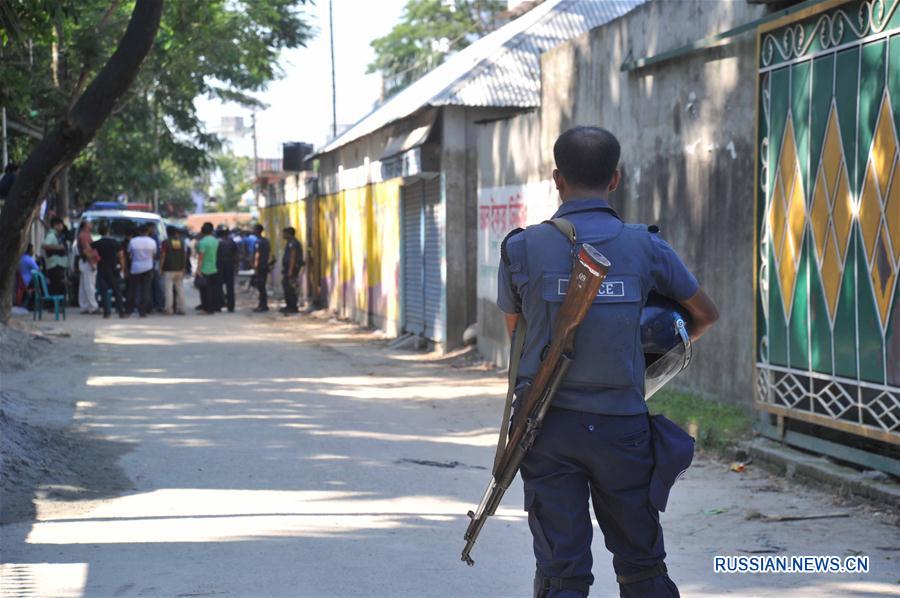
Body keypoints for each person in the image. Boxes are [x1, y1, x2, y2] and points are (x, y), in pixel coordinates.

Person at [497, 127, 719, 598]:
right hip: (623, 427)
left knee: (561, 573)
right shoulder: (647, 247)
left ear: (557, 179)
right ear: (615, 179)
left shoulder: (520, 248)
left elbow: (517, 335)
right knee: (642, 566)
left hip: (545, 427)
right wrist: (649, 361)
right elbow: (703, 316)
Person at [92, 222, 126, 318]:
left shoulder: (97, 243)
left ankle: (107, 312)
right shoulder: (115, 242)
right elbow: (121, 256)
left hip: (102, 269)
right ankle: (121, 312)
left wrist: (94, 260)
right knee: (117, 291)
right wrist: (122, 268)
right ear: (108, 232)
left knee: (104, 292)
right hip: (113, 269)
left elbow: (88, 251)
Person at [127, 223, 157, 317]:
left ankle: (129, 309)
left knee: (133, 289)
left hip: (135, 268)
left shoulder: (133, 241)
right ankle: (142, 311)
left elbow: (129, 254)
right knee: (146, 289)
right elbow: (154, 254)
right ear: (147, 231)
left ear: (139, 232)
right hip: (148, 267)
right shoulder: (152, 242)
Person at [159, 226, 188, 315]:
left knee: (168, 289)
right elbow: (185, 255)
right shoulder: (182, 242)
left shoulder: (166, 242)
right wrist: (184, 267)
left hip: (169, 268)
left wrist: (161, 267)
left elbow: (163, 255)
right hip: (180, 268)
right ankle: (182, 309)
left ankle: (169, 309)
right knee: (180, 289)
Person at [195, 222, 220, 314]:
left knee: (204, 291)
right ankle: (211, 308)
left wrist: (198, 269)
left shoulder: (202, 242)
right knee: (212, 290)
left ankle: (206, 309)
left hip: (205, 269)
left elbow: (200, 257)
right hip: (213, 268)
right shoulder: (215, 241)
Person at [76, 220, 100, 314]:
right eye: (90, 223)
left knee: (84, 285)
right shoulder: (85, 235)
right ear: (85, 225)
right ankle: (93, 306)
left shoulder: (82, 235)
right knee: (90, 285)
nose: (91, 224)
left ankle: (84, 306)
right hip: (88, 262)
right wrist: (92, 263)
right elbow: (87, 250)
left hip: (84, 262)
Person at [42, 216, 69, 297]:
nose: (62, 227)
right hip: (54, 265)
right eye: (60, 225)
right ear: (55, 225)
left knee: (59, 285)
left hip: (59, 264)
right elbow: (45, 245)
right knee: (55, 285)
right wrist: (58, 247)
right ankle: (53, 305)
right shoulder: (51, 235)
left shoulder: (58, 235)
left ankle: (57, 305)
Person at [280, 226, 303, 315]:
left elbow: (293, 257)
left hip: (292, 269)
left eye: (284, 233)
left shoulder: (293, 243)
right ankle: (289, 305)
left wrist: (290, 270)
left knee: (290, 287)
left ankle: (292, 306)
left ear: (288, 234)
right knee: (286, 286)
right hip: (289, 269)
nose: (283, 235)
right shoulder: (290, 242)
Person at [216, 224, 238, 312]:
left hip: (219, 265)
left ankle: (220, 304)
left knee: (218, 286)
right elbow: (236, 255)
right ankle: (231, 306)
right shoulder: (232, 242)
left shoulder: (217, 242)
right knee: (230, 286)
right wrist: (237, 266)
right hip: (230, 265)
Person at [251, 224, 271, 312]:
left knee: (261, 286)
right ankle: (263, 304)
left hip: (260, 267)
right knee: (262, 286)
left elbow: (257, 255)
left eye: (254, 229)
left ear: (258, 231)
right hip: (265, 265)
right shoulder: (266, 241)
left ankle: (263, 305)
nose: (253, 231)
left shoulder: (259, 241)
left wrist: (255, 266)